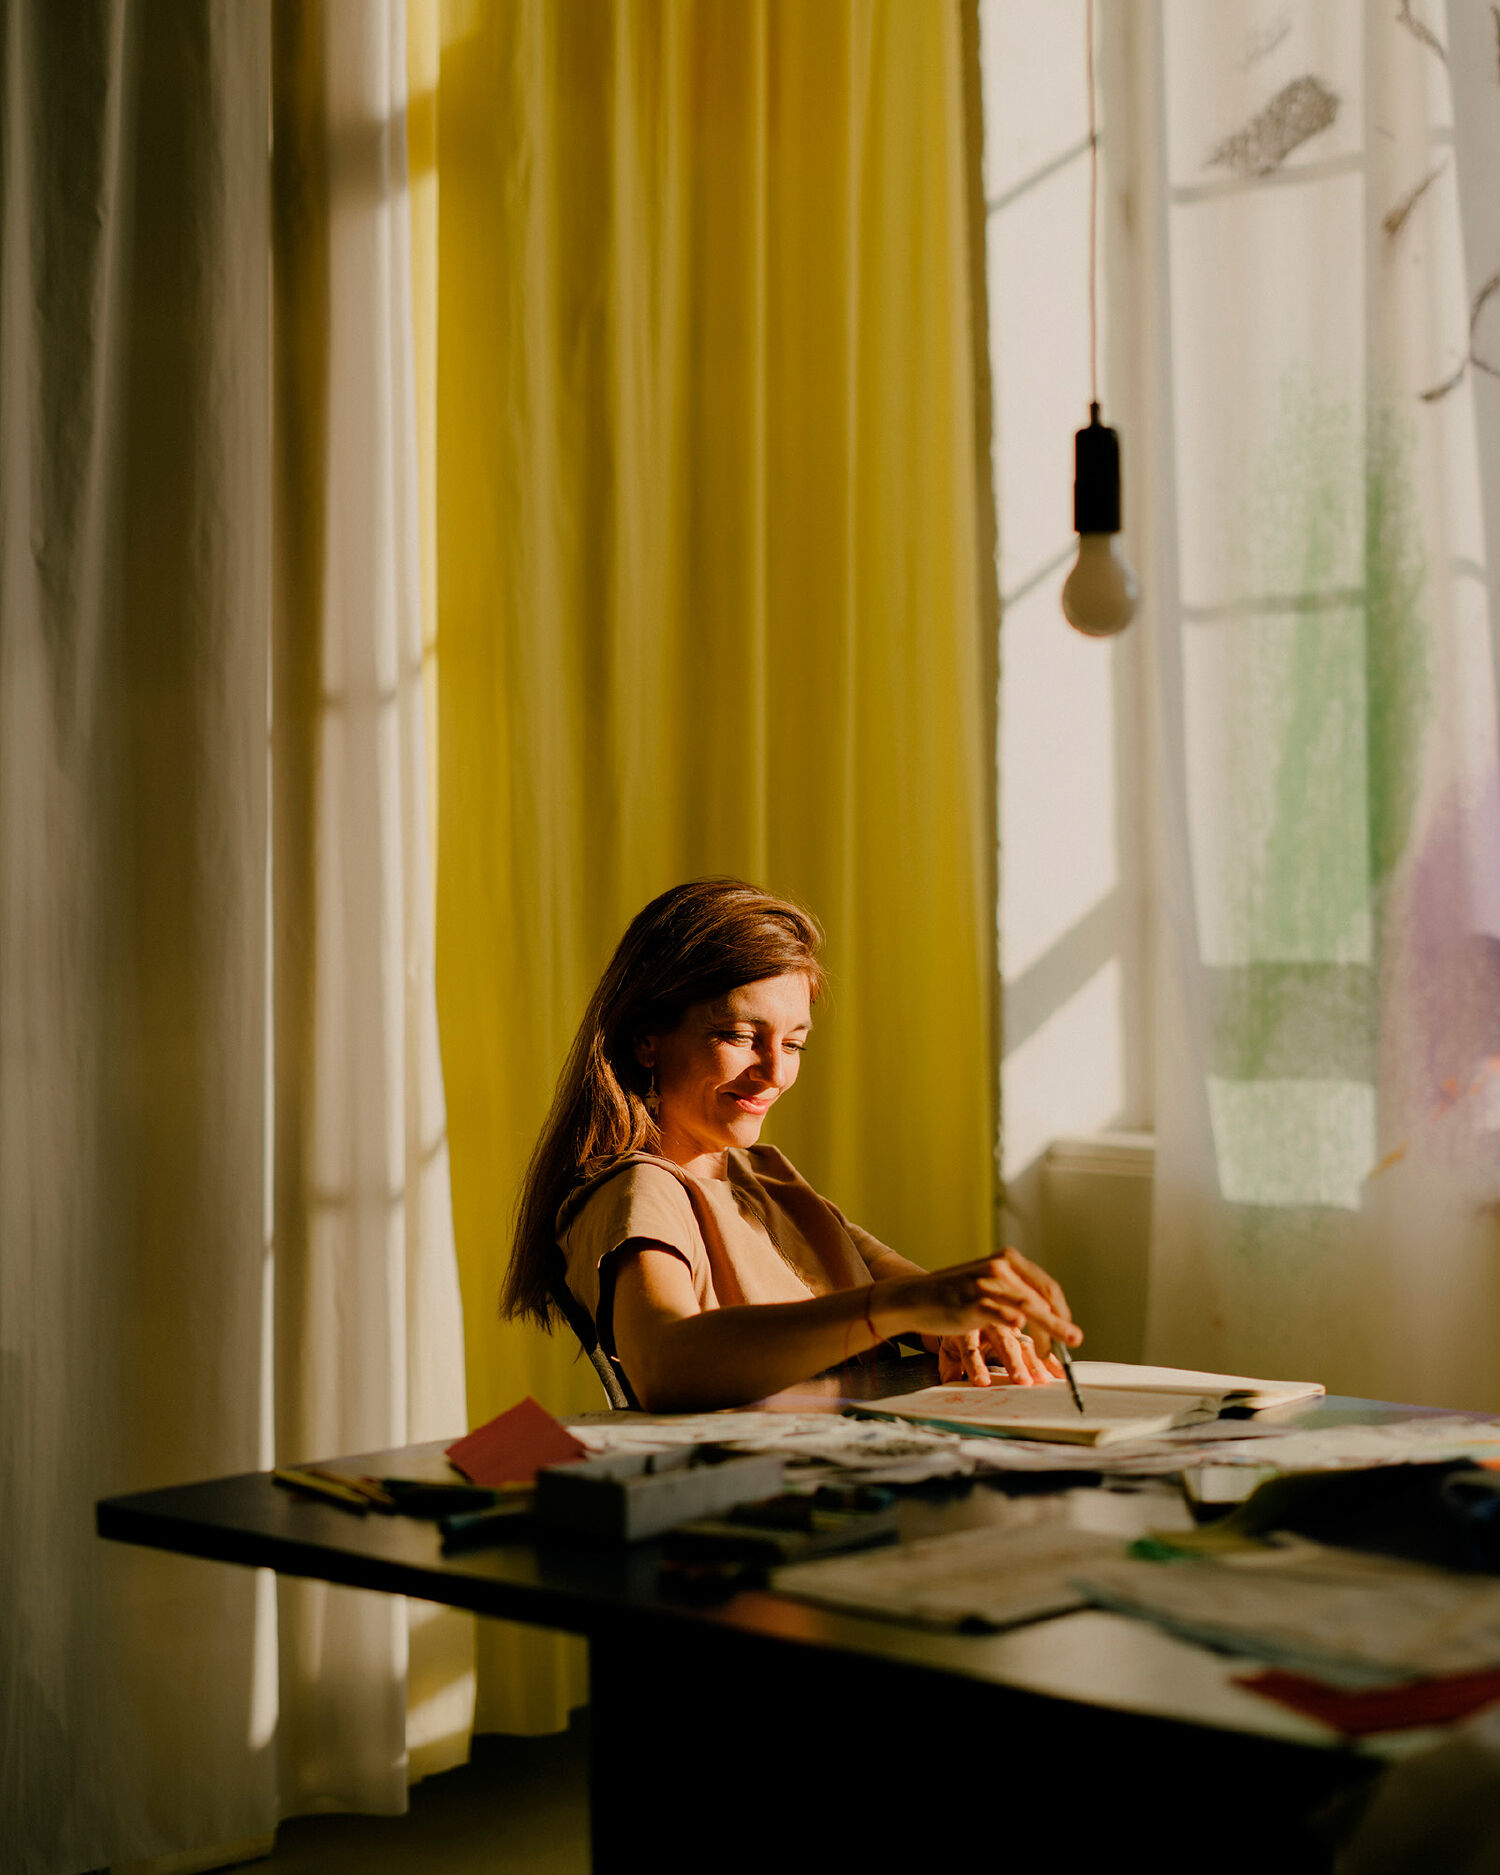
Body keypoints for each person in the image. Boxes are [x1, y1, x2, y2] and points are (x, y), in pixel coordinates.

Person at [502, 878, 1081, 1411]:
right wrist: (907, 1309)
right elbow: (663, 1364)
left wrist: (964, 1321)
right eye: (738, 1036)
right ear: (645, 1041)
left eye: (795, 1044)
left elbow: (903, 1289)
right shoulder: (639, 1188)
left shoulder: (764, 1177)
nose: (774, 1072)